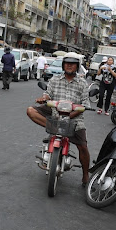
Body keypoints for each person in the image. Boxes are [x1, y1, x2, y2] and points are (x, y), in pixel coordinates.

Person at [26, 53, 91, 185]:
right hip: (55, 112)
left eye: (72, 64)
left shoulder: (83, 83)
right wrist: (43, 98)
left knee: (83, 147)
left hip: (74, 117)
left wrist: (69, 116)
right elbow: (48, 94)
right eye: (67, 63)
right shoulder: (55, 80)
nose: (69, 66)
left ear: (77, 66)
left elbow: (85, 104)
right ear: (63, 65)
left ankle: (85, 175)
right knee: (30, 111)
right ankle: (55, 128)